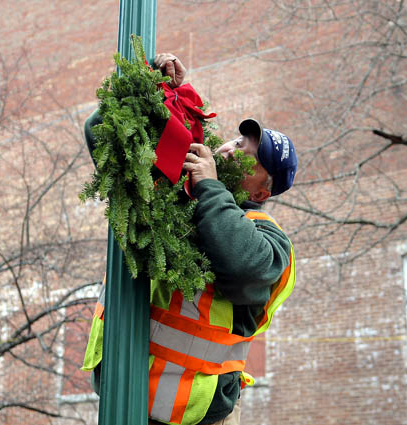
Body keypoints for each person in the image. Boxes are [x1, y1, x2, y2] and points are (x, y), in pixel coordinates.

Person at [82, 54, 298, 425]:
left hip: (195, 414)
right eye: (238, 140)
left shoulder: (267, 236)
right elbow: (104, 134)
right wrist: (155, 86)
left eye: (252, 156)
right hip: (122, 394)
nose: (232, 149)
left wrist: (211, 188)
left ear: (263, 192)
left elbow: (246, 266)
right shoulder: (179, 192)